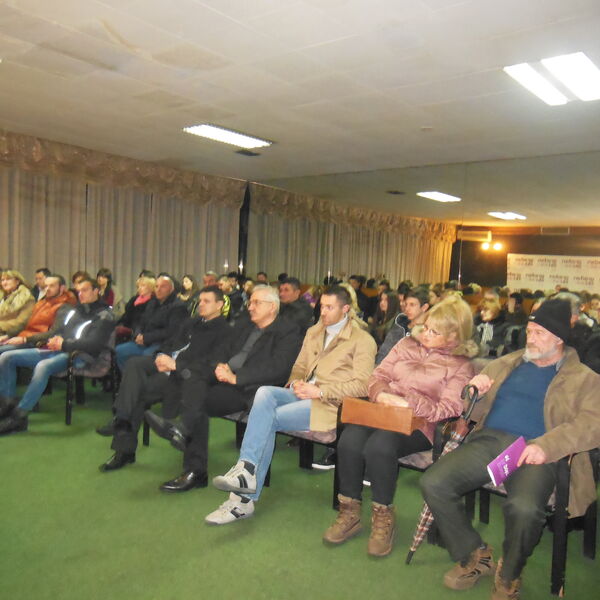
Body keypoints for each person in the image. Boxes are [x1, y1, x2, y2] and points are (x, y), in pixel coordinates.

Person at [420, 299, 600, 600]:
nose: (531, 338)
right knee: (433, 482)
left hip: (538, 451)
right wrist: (474, 392)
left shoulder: (586, 379)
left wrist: (547, 445)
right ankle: (475, 553)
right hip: (490, 441)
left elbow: (592, 424)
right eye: (529, 331)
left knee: (525, 509)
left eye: (539, 333)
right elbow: (470, 409)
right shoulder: (506, 363)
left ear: (559, 338)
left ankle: (509, 573)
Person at [205, 285, 376, 525]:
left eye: (330, 307)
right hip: (303, 394)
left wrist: (320, 391)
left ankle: (242, 498)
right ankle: (246, 471)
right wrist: (296, 382)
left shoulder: (362, 340)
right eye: (322, 306)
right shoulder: (314, 332)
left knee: (266, 418)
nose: (323, 312)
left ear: (345, 309)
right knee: (264, 393)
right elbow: (299, 367)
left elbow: (363, 385)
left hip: (331, 404)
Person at [323, 295, 477, 557]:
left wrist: (408, 403)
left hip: (421, 424)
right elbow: (378, 375)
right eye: (426, 327)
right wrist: (382, 393)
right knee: (349, 440)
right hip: (382, 411)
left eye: (434, 331)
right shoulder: (406, 343)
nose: (425, 334)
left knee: (379, 446)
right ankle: (349, 511)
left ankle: (383, 516)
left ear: (454, 335)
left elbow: (449, 409)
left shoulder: (460, 364)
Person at [143, 285, 303, 491]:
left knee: (196, 400)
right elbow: (223, 350)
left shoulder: (288, 331)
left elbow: (278, 368)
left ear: (272, 307)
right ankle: (183, 434)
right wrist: (219, 365)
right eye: (250, 302)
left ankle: (192, 462)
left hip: (251, 388)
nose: (250, 307)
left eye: (256, 303)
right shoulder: (245, 325)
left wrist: (237, 378)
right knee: (194, 378)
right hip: (224, 378)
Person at [98, 286, 234, 474]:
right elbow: (170, 343)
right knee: (134, 364)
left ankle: (124, 442)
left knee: (138, 392)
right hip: (168, 366)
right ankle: (122, 423)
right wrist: (161, 356)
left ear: (219, 305)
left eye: (206, 301)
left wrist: (176, 365)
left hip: (188, 376)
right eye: (200, 301)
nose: (200, 304)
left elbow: (212, 364)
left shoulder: (225, 331)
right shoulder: (191, 322)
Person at [0, 277, 115, 433]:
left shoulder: (105, 315)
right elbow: (59, 331)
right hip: (59, 349)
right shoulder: (76, 310)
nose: (81, 294)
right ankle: (7, 407)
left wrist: (64, 344)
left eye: (85, 290)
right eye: (79, 291)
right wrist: (55, 340)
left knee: (43, 366)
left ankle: (19, 416)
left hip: (81, 355)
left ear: (96, 291)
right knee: (6, 358)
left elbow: (94, 344)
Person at [115, 274, 187, 371]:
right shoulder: (152, 303)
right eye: (156, 286)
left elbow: (171, 331)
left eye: (163, 287)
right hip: (145, 341)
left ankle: (142, 379)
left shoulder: (178, 307)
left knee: (145, 357)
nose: (159, 289)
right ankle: (129, 377)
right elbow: (141, 322)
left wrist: (147, 338)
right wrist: (138, 335)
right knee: (120, 351)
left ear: (171, 289)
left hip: (162, 344)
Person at [0, 274, 75, 354]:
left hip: (38, 342)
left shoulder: (65, 307)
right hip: (26, 337)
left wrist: (25, 339)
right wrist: (8, 335)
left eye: (51, 286)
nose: (47, 289)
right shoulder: (41, 303)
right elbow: (26, 324)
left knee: (6, 355)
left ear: (62, 288)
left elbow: (54, 332)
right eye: (46, 286)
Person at [0, 270, 35, 337]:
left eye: (8, 279)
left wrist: (1, 325)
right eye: (2, 280)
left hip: (12, 334)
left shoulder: (27, 298)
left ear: (17, 281)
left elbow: (22, 322)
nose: (4, 283)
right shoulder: (3, 296)